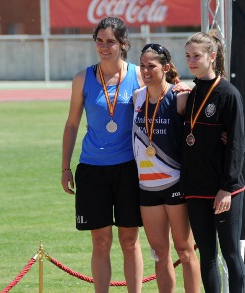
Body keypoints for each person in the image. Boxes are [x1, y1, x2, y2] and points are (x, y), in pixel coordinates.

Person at [61, 17, 144, 293]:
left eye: (111, 41)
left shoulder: (138, 75)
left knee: (130, 240)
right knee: (101, 241)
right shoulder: (82, 78)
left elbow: (163, 100)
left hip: (129, 168)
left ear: (123, 44)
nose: (104, 47)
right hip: (92, 169)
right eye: (100, 41)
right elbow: (72, 123)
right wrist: (65, 168)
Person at [132, 43, 201, 293]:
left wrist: (190, 86)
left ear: (166, 68)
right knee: (160, 253)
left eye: (152, 65)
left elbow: (213, 98)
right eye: (142, 65)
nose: (146, 70)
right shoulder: (137, 97)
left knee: (184, 250)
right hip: (147, 187)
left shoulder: (180, 97)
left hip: (175, 183)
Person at [180, 31, 245, 293]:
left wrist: (227, 187)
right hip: (196, 189)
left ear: (212, 56)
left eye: (197, 55)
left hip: (223, 190)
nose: (192, 61)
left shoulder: (228, 93)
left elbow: (237, 144)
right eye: (188, 56)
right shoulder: (192, 93)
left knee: (231, 255)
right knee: (206, 256)